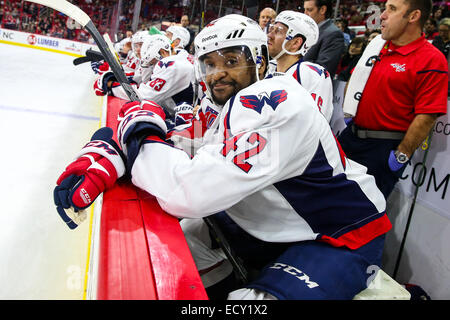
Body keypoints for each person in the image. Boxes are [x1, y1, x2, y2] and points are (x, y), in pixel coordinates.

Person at [55, 14, 391, 300]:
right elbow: (186, 150)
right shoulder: (226, 105)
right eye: (210, 64)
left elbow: (189, 193)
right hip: (266, 224)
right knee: (178, 254)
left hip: (339, 236)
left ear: (260, 60)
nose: (218, 73)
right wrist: (116, 151)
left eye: (232, 60)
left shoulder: (276, 103)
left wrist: (139, 138)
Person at [338, 0, 448, 200]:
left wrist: (400, 156)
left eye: (392, 9)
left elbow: (427, 115)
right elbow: (354, 79)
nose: (382, 15)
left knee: (362, 219)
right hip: (350, 138)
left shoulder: (432, 59)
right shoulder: (377, 46)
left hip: (381, 149)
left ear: (413, 16)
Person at [94, 33, 195, 125]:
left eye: (153, 62)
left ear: (163, 52)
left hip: (190, 123)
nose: (154, 66)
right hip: (184, 116)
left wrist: (111, 86)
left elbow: (142, 96)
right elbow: (145, 82)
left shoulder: (173, 65)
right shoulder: (178, 59)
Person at [266, 10, 334, 123]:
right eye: (271, 29)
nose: (269, 35)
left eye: (278, 31)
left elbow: (315, 126)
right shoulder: (266, 68)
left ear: (296, 43)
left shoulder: (313, 75)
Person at [302, 0, 346, 78]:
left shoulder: (334, 34)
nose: (305, 14)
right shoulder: (307, 30)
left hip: (312, 87)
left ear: (322, 10)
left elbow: (322, 70)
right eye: (304, 9)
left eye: (309, 10)